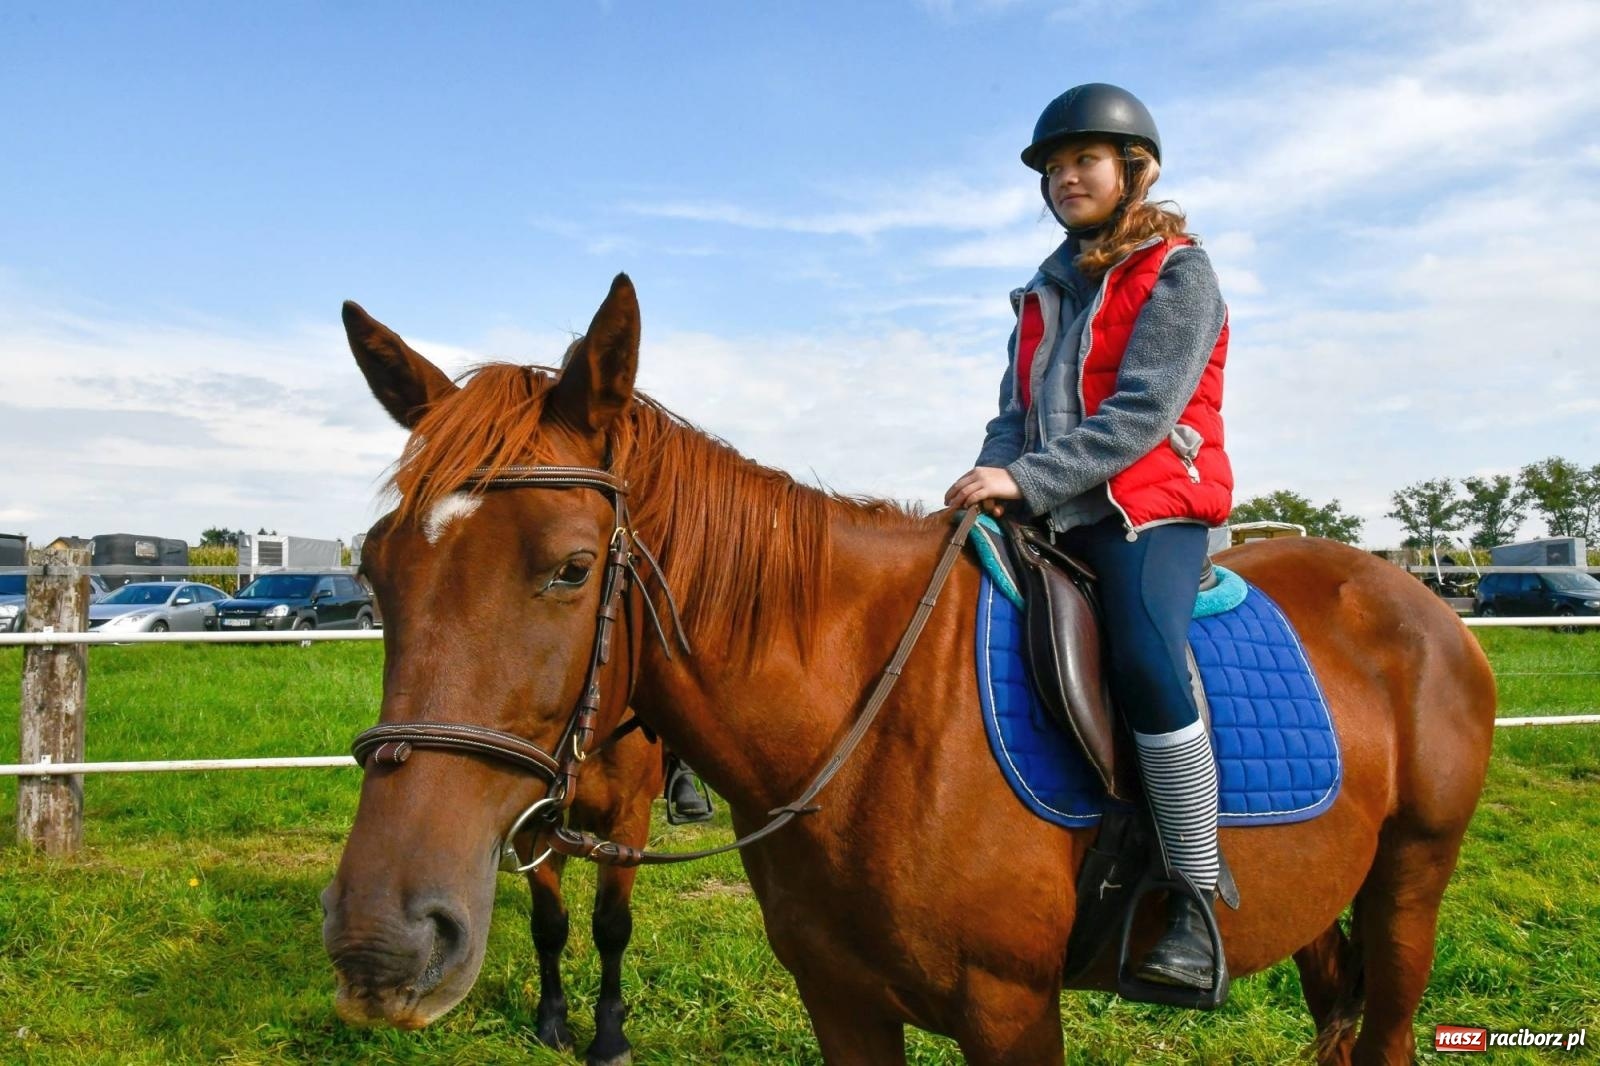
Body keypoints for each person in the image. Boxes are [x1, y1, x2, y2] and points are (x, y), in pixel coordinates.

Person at [944, 83, 1233, 992]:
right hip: (1049, 511)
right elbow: (1012, 417)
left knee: (1146, 655)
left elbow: (1146, 409)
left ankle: (1193, 893)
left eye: (1085, 162)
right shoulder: (1038, 293)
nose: (1067, 178)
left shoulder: (1178, 270)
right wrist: (985, 479)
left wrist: (1025, 479)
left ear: (1133, 172)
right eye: (1055, 168)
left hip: (1149, 509)